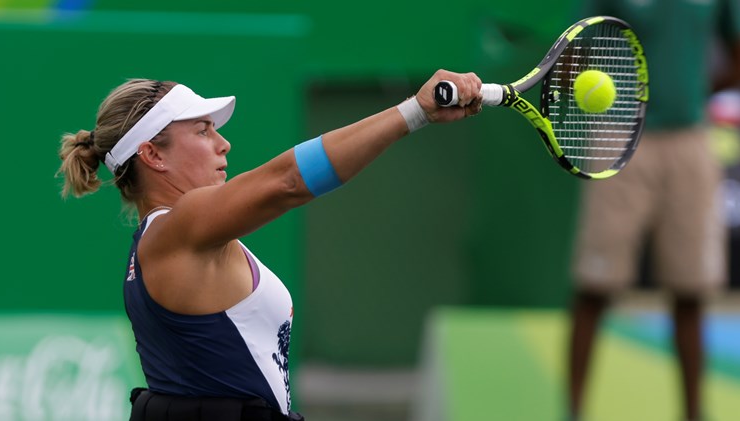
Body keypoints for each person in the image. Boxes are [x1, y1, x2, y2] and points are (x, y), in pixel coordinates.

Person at [56, 70, 483, 420]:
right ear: (153, 155)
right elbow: (289, 182)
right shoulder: (179, 228)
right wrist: (415, 111)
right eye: (203, 131)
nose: (224, 143)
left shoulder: (182, 237)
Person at [567, 1, 740, 421]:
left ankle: (694, 414)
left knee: (692, 291)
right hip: (619, 133)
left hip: (690, 137)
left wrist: (694, 93)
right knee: (595, 286)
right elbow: (576, 46)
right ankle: (572, 412)